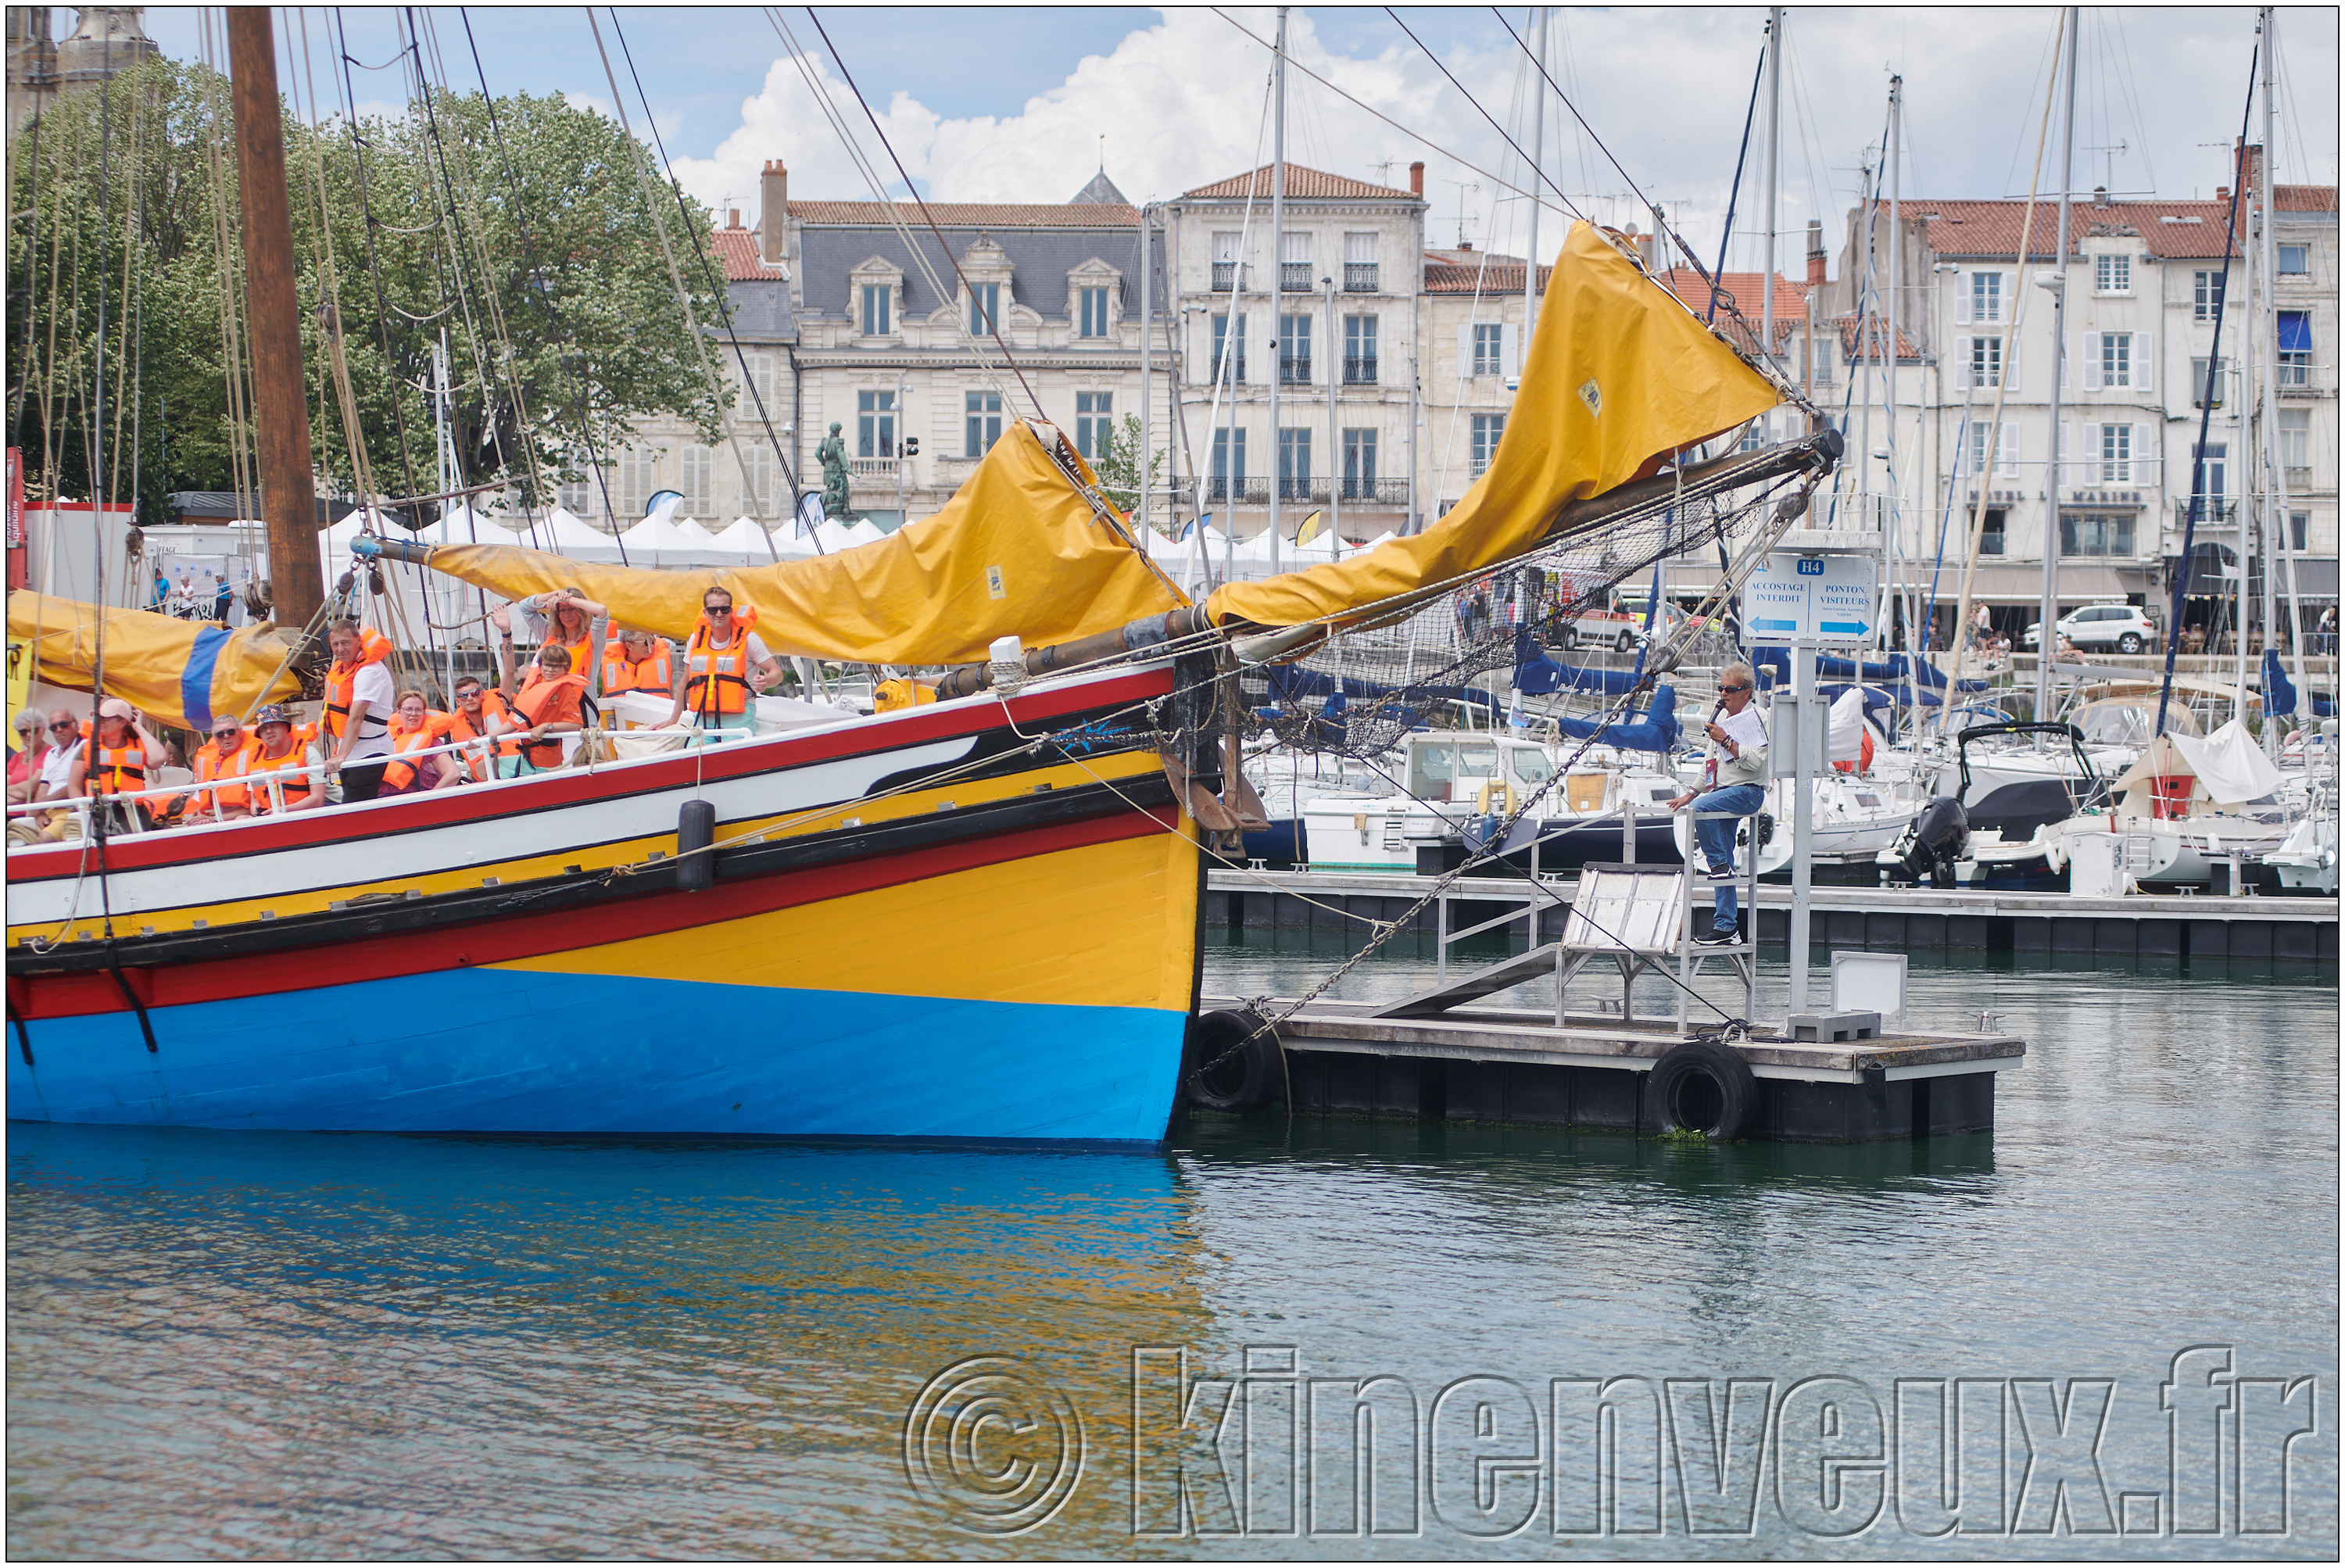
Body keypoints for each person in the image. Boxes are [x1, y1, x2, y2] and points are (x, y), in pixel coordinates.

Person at [1667, 662, 1769, 947]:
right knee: (1702, 812)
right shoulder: (1720, 720)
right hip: (1722, 793)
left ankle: (1719, 866)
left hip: (1748, 792)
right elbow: (1709, 764)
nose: (1723, 694)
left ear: (1746, 692)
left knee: (1702, 816)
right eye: (1721, 688)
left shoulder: (1758, 718)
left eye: (1730, 689)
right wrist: (1691, 793)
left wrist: (1727, 741)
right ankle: (1726, 927)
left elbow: (1757, 762)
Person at [666, 588, 782, 738]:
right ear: (705, 612)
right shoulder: (695, 640)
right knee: (695, 755)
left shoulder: (749, 639)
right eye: (713, 610)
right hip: (704, 717)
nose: (719, 614)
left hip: (739, 717)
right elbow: (685, 681)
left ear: (731, 611)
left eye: (724, 609)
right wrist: (673, 720)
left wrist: (767, 680)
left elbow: (777, 673)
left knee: (729, 758)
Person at [322, 618, 397, 801]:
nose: (340, 649)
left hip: (371, 750)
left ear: (358, 641)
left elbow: (356, 717)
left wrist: (341, 756)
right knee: (350, 800)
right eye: (335, 644)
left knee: (354, 806)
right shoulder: (343, 668)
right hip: (351, 749)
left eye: (345, 643)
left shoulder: (369, 672)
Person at [69, 697, 168, 834]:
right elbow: (73, 785)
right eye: (99, 717)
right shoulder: (87, 747)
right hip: (96, 810)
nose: (101, 721)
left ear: (122, 722)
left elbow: (159, 759)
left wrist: (139, 728)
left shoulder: (138, 745)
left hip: (131, 812)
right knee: (72, 834)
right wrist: (85, 810)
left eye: (106, 718)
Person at [495, 590, 609, 700]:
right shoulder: (549, 635)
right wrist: (554, 594)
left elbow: (602, 611)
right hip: (546, 710)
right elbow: (524, 606)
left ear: (582, 611)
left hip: (579, 714)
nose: (566, 615)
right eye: (562, 610)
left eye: (571, 609)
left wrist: (568, 600)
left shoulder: (594, 640)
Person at [499, 640, 589, 775]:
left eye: (556, 666)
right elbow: (516, 721)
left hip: (545, 761)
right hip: (527, 757)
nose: (550, 670)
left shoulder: (565, 690)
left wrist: (546, 726)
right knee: (494, 767)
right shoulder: (538, 688)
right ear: (541, 667)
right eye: (547, 665)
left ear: (566, 668)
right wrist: (489, 737)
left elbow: (576, 724)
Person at [234, 704, 323, 814]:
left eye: (273, 725)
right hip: (270, 821)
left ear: (285, 727)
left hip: (306, 816)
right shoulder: (253, 762)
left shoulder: (308, 753)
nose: (268, 731)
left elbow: (318, 799)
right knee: (241, 818)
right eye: (263, 729)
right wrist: (260, 816)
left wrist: (282, 811)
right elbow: (254, 802)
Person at [381, 690, 456, 794]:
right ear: (398, 712)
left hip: (411, 801)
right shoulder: (387, 738)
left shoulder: (432, 743)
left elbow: (453, 773)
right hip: (380, 799)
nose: (413, 713)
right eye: (408, 709)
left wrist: (429, 799)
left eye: (418, 710)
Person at [182, 716, 256, 824]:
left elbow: (253, 806)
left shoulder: (252, 757)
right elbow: (200, 802)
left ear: (240, 732)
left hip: (241, 818)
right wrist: (202, 817)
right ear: (215, 739)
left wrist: (215, 818)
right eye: (220, 734)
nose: (226, 737)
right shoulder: (206, 761)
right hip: (212, 818)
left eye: (231, 732)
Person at [601, 626, 674, 700]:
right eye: (646, 642)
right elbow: (605, 700)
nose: (651, 646)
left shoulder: (661, 664)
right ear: (629, 646)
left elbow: (671, 698)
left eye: (652, 641)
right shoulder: (611, 668)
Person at [7, 708, 52, 805]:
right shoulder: (16, 758)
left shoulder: (50, 754)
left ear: (43, 730)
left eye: (34, 730)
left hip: (25, 816)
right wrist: (20, 796)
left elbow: (29, 789)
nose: (28, 735)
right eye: (23, 732)